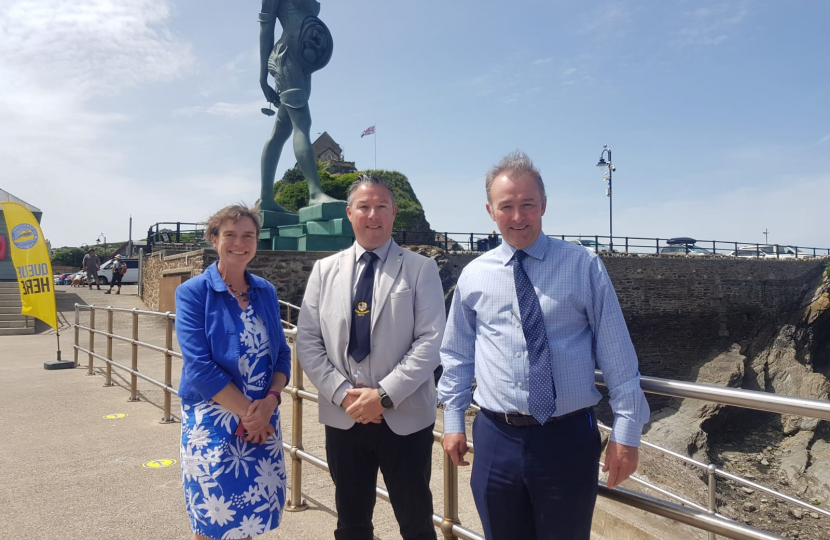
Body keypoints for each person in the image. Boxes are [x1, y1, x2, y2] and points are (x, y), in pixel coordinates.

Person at [438, 151, 650, 540]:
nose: (518, 217)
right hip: (495, 438)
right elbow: (457, 354)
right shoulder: (473, 276)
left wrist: (627, 431)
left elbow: (617, 354)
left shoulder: (583, 265)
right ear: (490, 211)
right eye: (507, 207)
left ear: (544, 206)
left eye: (527, 205)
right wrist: (453, 421)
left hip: (566, 439)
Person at [297, 174, 446, 540]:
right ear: (350, 213)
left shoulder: (420, 269)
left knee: (416, 523)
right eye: (364, 207)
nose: (373, 215)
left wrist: (382, 397)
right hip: (344, 416)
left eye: (381, 207)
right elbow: (308, 341)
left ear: (394, 213)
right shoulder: (324, 271)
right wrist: (344, 394)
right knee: (350, 523)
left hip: (405, 418)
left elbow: (431, 341)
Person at [175, 204, 291, 540]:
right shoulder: (194, 293)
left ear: (256, 241)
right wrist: (251, 415)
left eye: (248, 236)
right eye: (230, 235)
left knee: (250, 518)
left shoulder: (265, 291)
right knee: (214, 519)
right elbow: (198, 366)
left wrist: (269, 403)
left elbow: (282, 353)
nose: (239, 243)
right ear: (214, 239)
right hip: (214, 418)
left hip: (262, 416)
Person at [258, 0, 341, 213]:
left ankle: (266, 199)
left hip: (305, 64)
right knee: (302, 122)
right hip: (286, 56)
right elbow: (266, 28)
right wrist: (262, 77)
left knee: (281, 131)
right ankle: (315, 194)